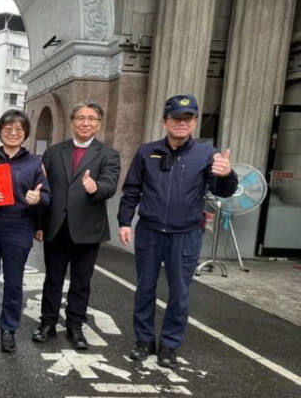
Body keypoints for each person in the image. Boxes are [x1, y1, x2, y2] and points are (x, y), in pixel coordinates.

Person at [118, 95, 237, 368]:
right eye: (176, 118)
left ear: (194, 123)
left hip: (185, 235)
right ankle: (144, 341)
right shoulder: (147, 151)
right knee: (145, 288)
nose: (182, 123)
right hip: (149, 231)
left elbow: (222, 191)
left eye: (188, 119)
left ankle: (170, 345)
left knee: (180, 292)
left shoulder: (207, 155)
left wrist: (226, 174)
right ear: (165, 121)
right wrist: (125, 221)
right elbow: (132, 190)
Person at [33, 101, 120, 350]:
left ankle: (75, 326)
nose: (85, 123)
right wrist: (39, 223)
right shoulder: (54, 151)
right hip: (56, 227)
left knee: (82, 282)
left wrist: (96, 188)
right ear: (72, 122)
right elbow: (44, 190)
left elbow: (110, 185)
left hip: (88, 229)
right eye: (80, 118)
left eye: (91, 119)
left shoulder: (108, 154)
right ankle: (48, 323)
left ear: (99, 124)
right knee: (53, 279)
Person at [0, 110, 49, 353]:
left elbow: (47, 195)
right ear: (0, 131)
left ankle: (8, 329)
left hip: (19, 226)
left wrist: (37, 198)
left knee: (14, 283)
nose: (13, 133)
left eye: (19, 129)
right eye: (8, 129)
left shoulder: (35, 162)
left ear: (25, 134)